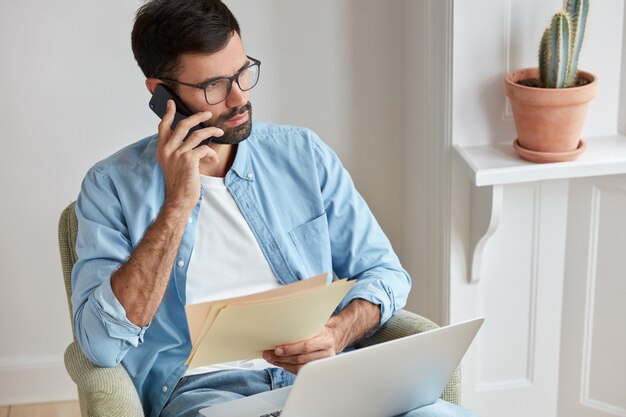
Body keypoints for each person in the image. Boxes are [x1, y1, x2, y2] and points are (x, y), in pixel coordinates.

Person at [71, 1, 477, 416]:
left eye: (243, 72)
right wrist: (177, 205)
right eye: (214, 85)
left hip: (324, 381)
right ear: (161, 92)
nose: (239, 97)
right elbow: (100, 346)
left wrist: (337, 333)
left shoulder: (303, 154)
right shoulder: (111, 187)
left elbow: (385, 273)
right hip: (205, 393)